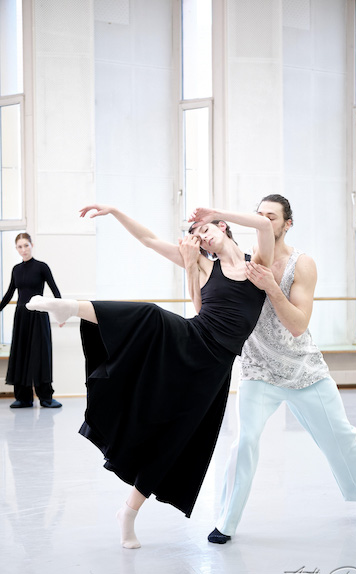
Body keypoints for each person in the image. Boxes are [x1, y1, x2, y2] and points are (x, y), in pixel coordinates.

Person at [25, 204, 274, 549]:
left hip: (215, 368)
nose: (203, 238)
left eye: (205, 230)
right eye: (198, 237)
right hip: (193, 340)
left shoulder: (257, 264)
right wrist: (115, 211)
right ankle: (72, 307)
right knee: (151, 315)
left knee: (174, 439)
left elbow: (264, 225)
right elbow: (150, 242)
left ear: (221, 226)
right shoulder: (204, 264)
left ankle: (128, 512)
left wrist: (215, 211)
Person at [180, 195, 356, 544]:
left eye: (272, 216)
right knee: (244, 442)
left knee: (341, 435)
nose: (264, 221)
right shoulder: (244, 259)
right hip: (258, 371)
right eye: (259, 215)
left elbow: (297, 325)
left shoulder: (302, 264)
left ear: (287, 223)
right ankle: (226, 522)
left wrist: (270, 287)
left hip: (304, 369)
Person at [0, 233, 63, 409]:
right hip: (21, 317)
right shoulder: (16, 270)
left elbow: (55, 291)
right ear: (16, 249)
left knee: (40, 354)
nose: (23, 250)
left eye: (26, 245)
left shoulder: (42, 267)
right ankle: (23, 398)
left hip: (38, 315)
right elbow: (9, 294)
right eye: (20, 247)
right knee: (20, 353)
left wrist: (61, 313)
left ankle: (46, 398)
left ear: (32, 245)